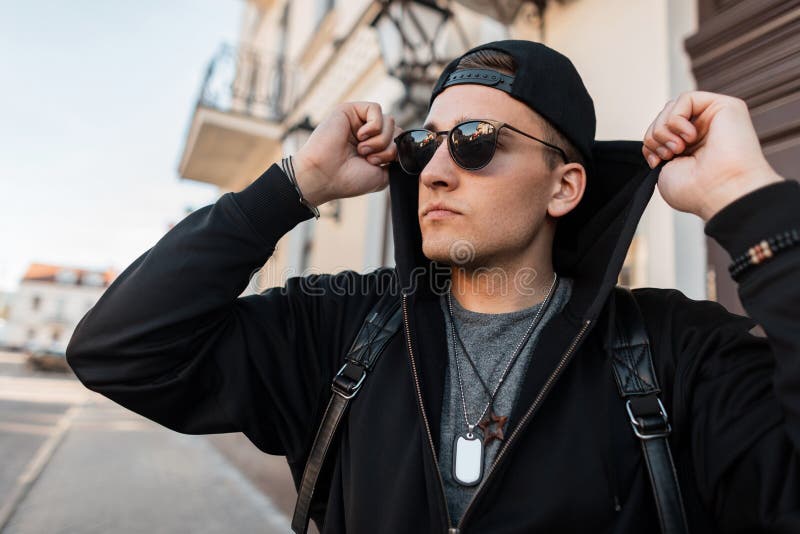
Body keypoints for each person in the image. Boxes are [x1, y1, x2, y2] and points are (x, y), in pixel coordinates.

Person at [66, 40, 799, 533]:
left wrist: (747, 199)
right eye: (424, 145)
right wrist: (295, 187)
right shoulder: (344, 328)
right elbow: (121, 350)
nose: (438, 170)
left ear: (565, 186)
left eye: (478, 142)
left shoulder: (674, 353)